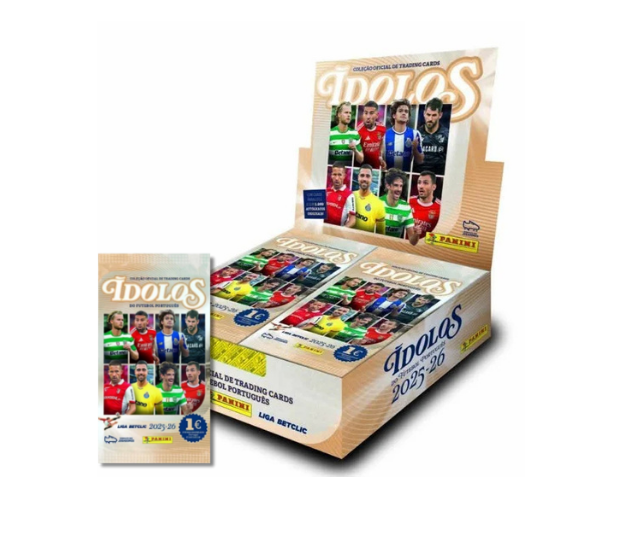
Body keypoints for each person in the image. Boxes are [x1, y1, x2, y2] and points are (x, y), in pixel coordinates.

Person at [379, 168, 419, 245]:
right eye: (396, 185)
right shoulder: (377, 203)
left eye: (401, 186)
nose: (399, 189)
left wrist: (417, 234)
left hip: (394, 248)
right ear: (388, 185)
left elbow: (412, 241)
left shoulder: (406, 207)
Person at [384, 98, 423, 172]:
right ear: (394, 115)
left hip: (406, 176)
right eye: (400, 111)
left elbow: (420, 161)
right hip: (388, 175)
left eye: (406, 111)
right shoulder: (385, 134)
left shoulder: (415, 134)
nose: (404, 113)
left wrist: (415, 149)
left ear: (408, 117)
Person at [414, 98, 449, 176]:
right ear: (424, 113)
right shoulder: (415, 134)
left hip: (438, 176)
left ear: (440, 115)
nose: (430, 119)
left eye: (434, 115)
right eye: (428, 115)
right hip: (418, 175)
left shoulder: (447, 135)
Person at [328, 101, 363, 166]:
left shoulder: (355, 133)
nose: (349, 115)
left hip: (348, 170)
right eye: (346, 112)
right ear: (339, 114)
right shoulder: (329, 133)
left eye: (350, 113)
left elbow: (361, 160)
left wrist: (355, 150)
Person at [353, 164, 385, 233]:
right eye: (362, 175)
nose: (364, 179)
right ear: (358, 177)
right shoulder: (350, 196)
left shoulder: (378, 203)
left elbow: (381, 233)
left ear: (371, 179)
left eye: (368, 176)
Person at [409, 171, 441, 239]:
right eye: (419, 182)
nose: (421, 186)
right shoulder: (409, 201)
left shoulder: (441, 208)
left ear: (433, 187)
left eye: (425, 183)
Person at [325, 163, 356, 227]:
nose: (336, 178)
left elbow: (352, 219)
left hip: (337, 231)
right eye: (334, 174)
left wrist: (342, 230)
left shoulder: (350, 195)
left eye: (339, 175)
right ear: (331, 175)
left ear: (344, 176)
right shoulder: (325, 191)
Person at [358, 100, 386, 170]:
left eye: (371, 113)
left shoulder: (382, 128)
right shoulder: (358, 131)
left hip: (376, 169)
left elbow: (381, 142)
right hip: (363, 169)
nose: (368, 116)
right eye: (366, 113)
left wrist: (380, 156)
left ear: (377, 115)